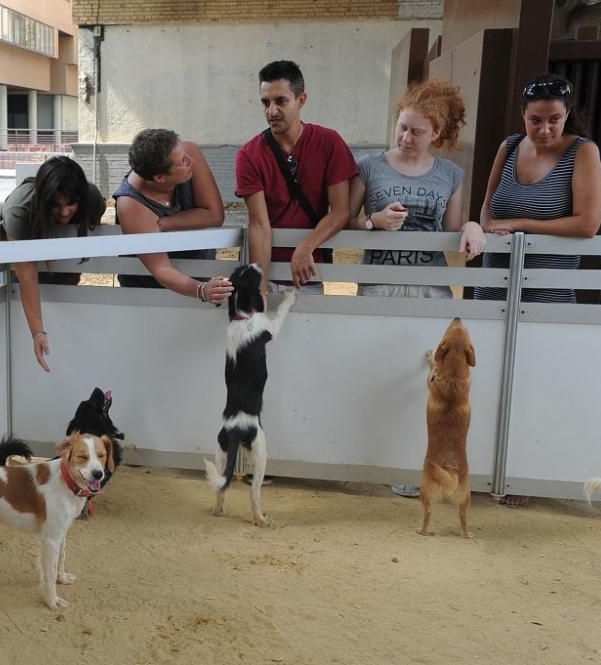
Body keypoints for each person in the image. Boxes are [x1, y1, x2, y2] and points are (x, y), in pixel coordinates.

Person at [347, 79, 486, 498]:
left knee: (426, 380)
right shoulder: (369, 166)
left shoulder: (451, 174)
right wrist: (373, 222)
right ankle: (371, 458)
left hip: (430, 288)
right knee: (377, 368)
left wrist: (474, 226)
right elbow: (346, 219)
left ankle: (417, 465)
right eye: (402, 128)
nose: (407, 138)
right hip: (379, 284)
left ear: (437, 135)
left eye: (417, 131)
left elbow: (453, 230)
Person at [475, 73, 601, 506]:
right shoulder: (508, 147)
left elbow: (588, 223)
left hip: (548, 288)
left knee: (536, 383)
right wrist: (491, 226)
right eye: (536, 120)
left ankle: (527, 475)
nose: (545, 129)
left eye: (554, 120)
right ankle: (484, 468)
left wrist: (521, 227)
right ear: (523, 117)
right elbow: (489, 205)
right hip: (496, 282)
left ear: (568, 116)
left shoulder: (583, 152)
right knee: (487, 374)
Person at [236, 60, 358, 300]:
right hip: (268, 272)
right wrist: (258, 287)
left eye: (281, 101)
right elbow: (259, 224)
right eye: (265, 102)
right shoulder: (249, 154)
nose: (271, 111)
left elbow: (341, 211)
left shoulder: (329, 142)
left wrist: (306, 246)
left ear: (301, 100)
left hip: (309, 271)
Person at [1, 155, 105, 372]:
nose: (65, 212)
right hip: (16, 276)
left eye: (71, 204)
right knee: (14, 341)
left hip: (62, 269)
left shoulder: (92, 198)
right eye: (56, 205)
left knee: (62, 331)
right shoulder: (19, 208)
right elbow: (26, 276)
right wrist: (38, 332)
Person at [112, 128, 232, 304]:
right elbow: (161, 269)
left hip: (199, 269)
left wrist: (165, 223)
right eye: (182, 161)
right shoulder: (131, 204)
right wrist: (201, 290)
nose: (190, 160)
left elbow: (215, 215)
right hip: (146, 290)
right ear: (160, 177)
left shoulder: (188, 151)